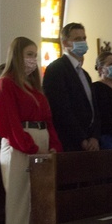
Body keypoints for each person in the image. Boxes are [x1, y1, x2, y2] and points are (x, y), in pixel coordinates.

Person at [0, 37, 62, 224]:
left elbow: (48, 120)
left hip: (39, 144)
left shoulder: (35, 87)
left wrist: (53, 145)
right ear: (17, 56)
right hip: (19, 145)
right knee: (19, 204)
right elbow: (7, 124)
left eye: (35, 54)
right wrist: (30, 148)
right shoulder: (5, 84)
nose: (33, 59)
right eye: (29, 54)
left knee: (39, 203)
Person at [42, 22, 100, 152]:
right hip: (69, 140)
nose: (82, 42)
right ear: (65, 43)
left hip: (91, 141)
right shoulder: (56, 69)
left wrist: (95, 137)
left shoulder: (85, 74)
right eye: (77, 39)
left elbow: (93, 108)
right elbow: (61, 109)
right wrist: (82, 139)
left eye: (84, 38)